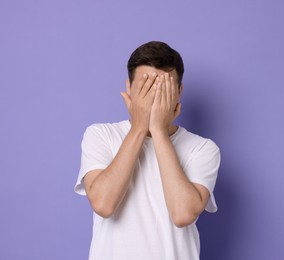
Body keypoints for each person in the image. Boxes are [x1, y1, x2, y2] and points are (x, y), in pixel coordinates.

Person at [74, 41, 221, 260]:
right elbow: (103, 204)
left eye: (163, 89)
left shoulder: (203, 148)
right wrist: (140, 128)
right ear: (129, 89)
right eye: (146, 89)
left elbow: (182, 214)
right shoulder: (100, 135)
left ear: (179, 92)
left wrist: (159, 132)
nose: (154, 97)